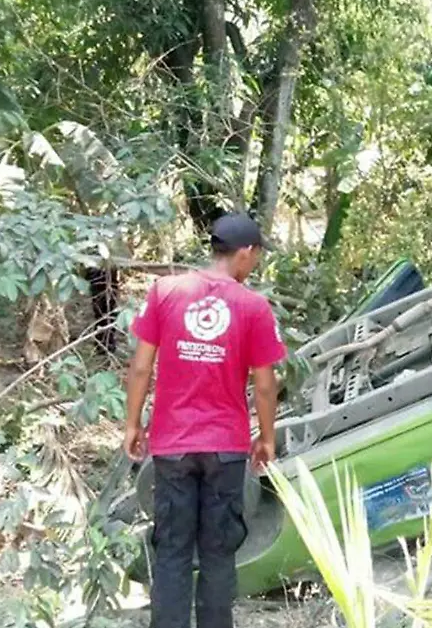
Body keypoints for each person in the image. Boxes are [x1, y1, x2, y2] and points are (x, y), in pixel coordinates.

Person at [122, 213, 287, 628]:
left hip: (173, 447)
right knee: (217, 553)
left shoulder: (165, 291)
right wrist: (266, 438)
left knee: (173, 551)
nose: (255, 265)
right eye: (257, 257)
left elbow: (141, 367)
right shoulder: (252, 306)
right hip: (226, 449)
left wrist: (133, 424)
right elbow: (265, 385)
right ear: (245, 253)